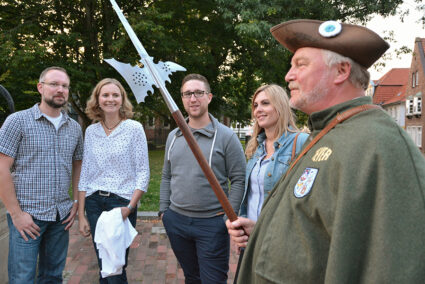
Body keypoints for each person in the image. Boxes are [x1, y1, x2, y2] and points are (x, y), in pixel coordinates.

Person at [227, 19, 425, 283]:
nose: (288, 75)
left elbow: (390, 267)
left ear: (341, 71)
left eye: (300, 65)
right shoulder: (329, 132)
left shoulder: (377, 145)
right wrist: (263, 231)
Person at [159, 73, 246, 283]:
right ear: (181, 99)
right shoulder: (174, 136)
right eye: (188, 94)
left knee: (213, 280)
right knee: (192, 277)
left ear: (209, 97)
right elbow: (166, 175)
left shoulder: (226, 137)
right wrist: (164, 212)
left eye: (199, 92)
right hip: (177, 222)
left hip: (212, 223)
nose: (193, 98)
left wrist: (228, 218)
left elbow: (239, 178)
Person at [0, 66, 84, 283]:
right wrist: (17, 214)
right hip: (28, 217)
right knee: (22, 279)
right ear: (40, 87)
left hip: (60, 216)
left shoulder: (74, 127)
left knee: (53, 277)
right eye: (54, 84)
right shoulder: (17, 121)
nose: (60, 90)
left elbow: (78, 165)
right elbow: (1, 167)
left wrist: (75, 200)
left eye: (64, 86)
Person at [78, 78, 150, 283]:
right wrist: (82, 215)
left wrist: (130, 206)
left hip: (121, 203)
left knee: (116, 265)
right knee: (104, 264)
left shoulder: (134, 129)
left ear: (122, 99)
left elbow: (143, 173)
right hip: (94, 203)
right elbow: (85, 174)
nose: (110, 99)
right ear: (98, 100)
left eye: (115, 95)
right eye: (105, 95)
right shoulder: (91, 132)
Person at [239, 84, 308, 223]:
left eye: (265, 103)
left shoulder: (301, 142)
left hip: (277, 235)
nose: (258, 110)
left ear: (280, 106)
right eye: (256, 105)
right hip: (251, 235)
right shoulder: (256, 147)